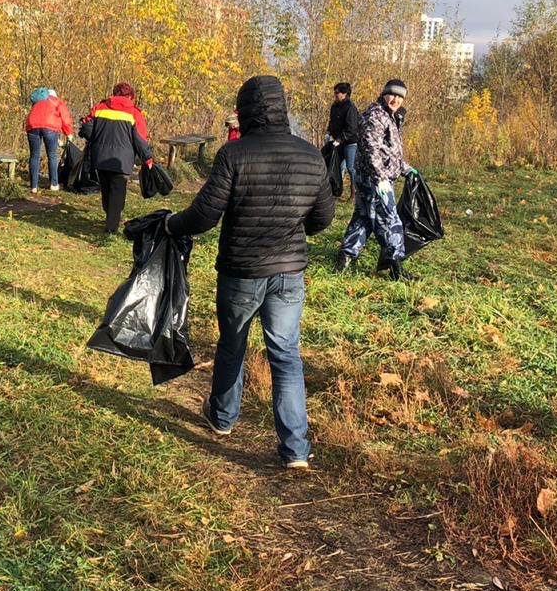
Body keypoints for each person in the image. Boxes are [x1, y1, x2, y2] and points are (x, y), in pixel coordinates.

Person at [165, 75, 335, 469]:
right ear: (283, 109)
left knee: (232, 345)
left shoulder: (234, 154)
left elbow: (206, 214)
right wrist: (295, 228)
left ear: (244, 112)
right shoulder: (312, 155)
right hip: (289, 274)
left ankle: (223, 418)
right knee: (286, 355)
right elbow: (323, 217)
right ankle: (295, 449)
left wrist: (172, 225)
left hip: (241, 271)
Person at [336, 78, 419, 281]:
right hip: (374, 178)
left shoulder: (391, 116)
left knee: (363, 217)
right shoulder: (376, 115)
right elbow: (371, 148)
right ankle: (396, 267)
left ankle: (345, 258)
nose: (396, 99)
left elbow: (389, 152)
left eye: (400, 96)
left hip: (372, 176)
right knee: (390, 219)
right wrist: (381, 178)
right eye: (392, 94)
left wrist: (406, 169)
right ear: (384, 94)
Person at [79, 82, 153, 233]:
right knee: (118, 193)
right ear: (130, 96)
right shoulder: (133, 113)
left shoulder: (100, 108)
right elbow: (140, 139)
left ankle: (110, 218)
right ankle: (112, 227)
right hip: (121, 161)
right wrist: (148, 159)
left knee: (106, 189)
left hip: (100, 158)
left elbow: (86, 130)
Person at [25, 87, 74, 193]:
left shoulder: (38, 101)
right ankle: (54, 184)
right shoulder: (57, 102)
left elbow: (38, 118)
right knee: (52, 156)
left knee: (34, 155)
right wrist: (68, 133)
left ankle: (33, 186)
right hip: (50, 126)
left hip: (32, 125)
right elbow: (65, 119)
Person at [325, 81, 361, 197]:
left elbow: (352, 128)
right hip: (338, 142)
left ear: (344, 94)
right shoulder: (334, 106)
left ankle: (354, 194)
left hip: (350, 142)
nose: (335, 95)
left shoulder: (350, 107)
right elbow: (332, 122)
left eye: (337, 93)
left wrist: (340, 139)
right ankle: (337, 190)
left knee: (351, 168)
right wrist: (328, 132)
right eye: (334, 93)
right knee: (338, 166)